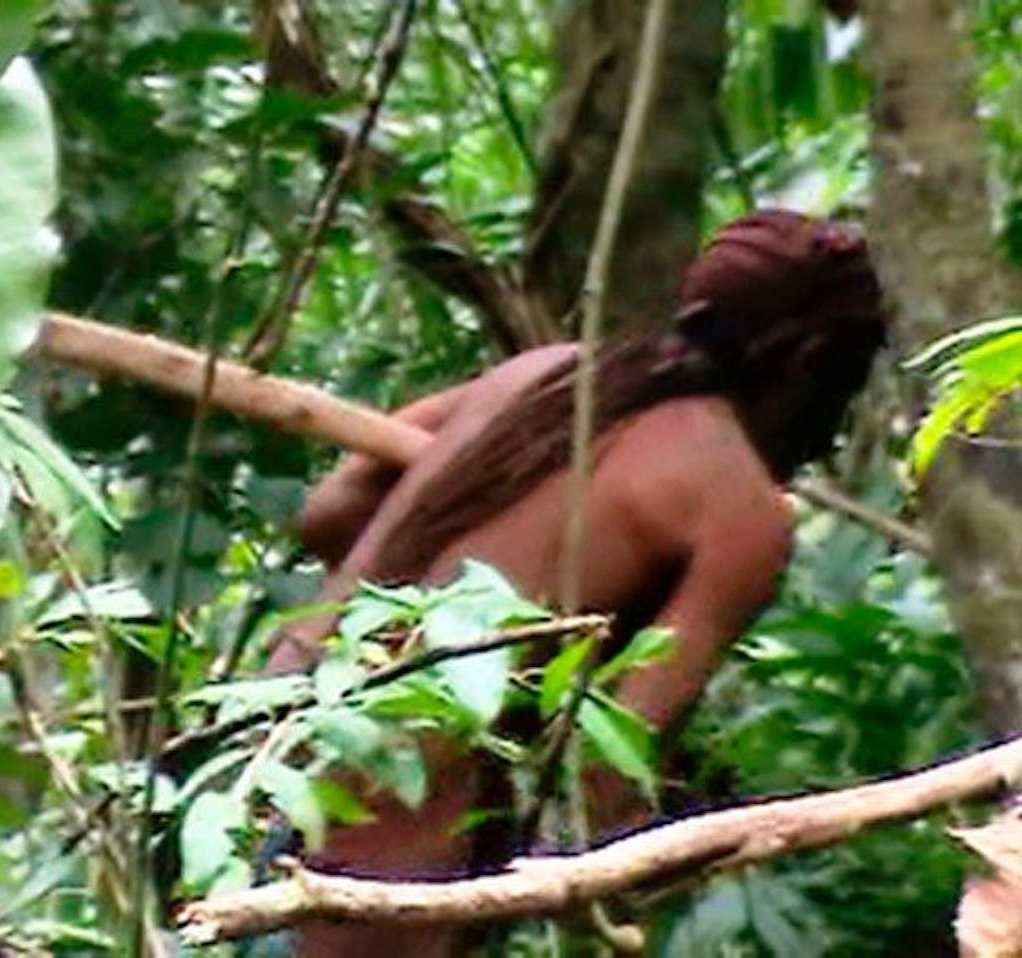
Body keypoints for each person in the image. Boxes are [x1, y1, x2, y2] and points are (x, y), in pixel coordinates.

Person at [268, 210, 888, 955]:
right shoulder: (741, 512)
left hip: (259, 753)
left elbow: (327, 512)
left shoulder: (547, 373)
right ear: (808, 360)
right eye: (848, 387)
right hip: (381, 859)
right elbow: (607, 774)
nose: (836, 429)